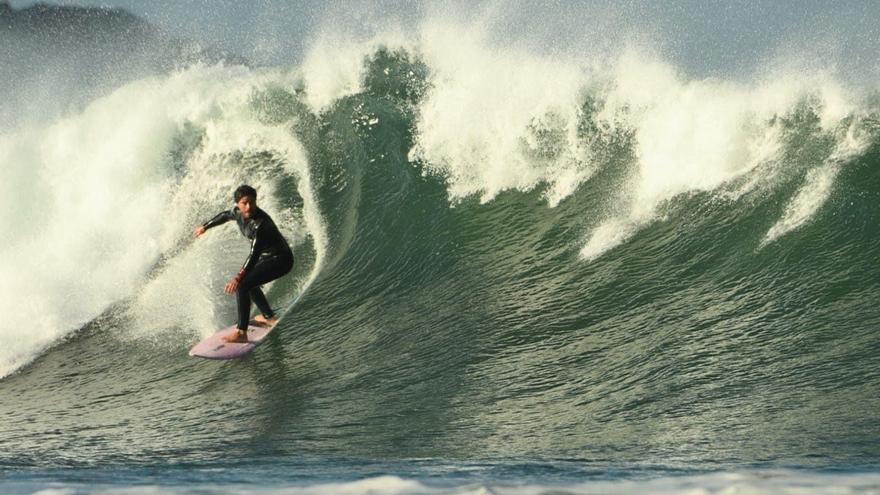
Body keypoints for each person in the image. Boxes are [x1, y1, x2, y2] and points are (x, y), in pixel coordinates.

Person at [193, 185, 293, 343]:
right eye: (245, 203)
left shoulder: (261, 225)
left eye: (252, 202)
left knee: (243, 284)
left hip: (281, 260)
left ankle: (241, 332)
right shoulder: (238, 213)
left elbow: (254, 254)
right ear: (237, 204)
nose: (249, 207)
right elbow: (225, 216)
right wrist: (205, 227)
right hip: (267, 257)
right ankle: (269, 317)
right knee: (250, 282)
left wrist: (237, 278)